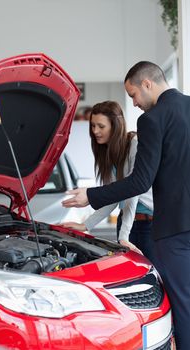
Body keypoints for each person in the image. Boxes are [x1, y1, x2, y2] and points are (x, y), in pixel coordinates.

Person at [62, 61, 190, 349]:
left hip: (172, 231)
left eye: (133, 95)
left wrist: (90, 195)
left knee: (181, 306)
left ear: (147, 84)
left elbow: (139, 182)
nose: (134, 103)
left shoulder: (152, 120)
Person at [62, 101, 155, 262]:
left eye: (101, 126)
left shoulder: (135, 144)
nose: (95, 131)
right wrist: (86, 225)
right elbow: (113, 196)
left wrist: (123, 235)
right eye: (92, 126)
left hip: (148, 225)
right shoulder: (109, 152)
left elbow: (133, 191)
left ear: (115, 125)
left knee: (155, 277)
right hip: (125, 222)